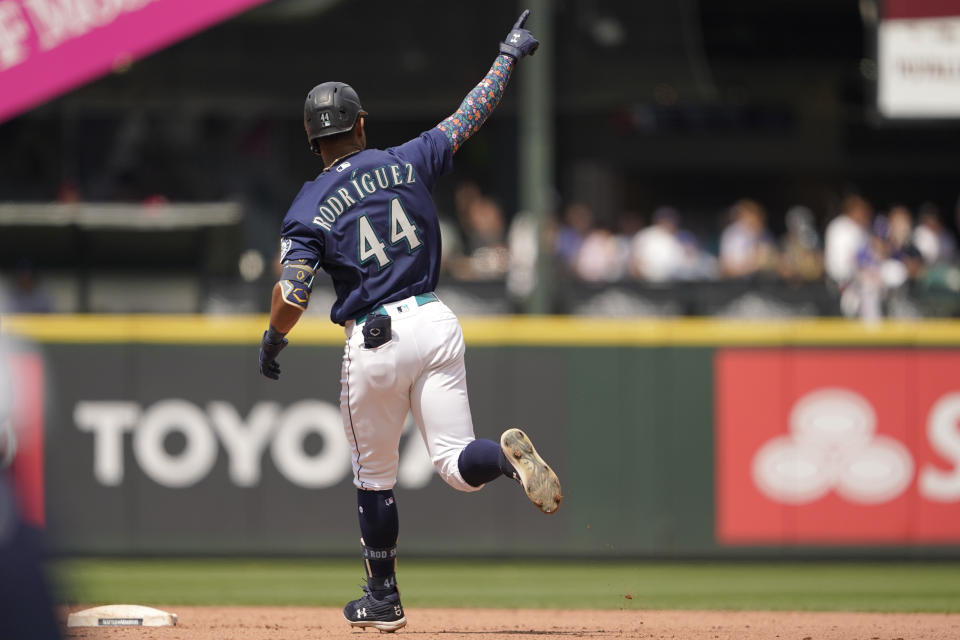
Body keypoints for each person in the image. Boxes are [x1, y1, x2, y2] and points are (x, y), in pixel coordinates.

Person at [257, 11, 560, 633]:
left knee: (375, 477)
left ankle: (384, 599)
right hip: (437, 318)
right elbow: (468, 115)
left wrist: (275, 335)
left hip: (376, 336)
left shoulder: (308, 207)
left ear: (312, 142)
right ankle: (503, 462)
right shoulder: (407, 158)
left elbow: (292, 292)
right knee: (455, 465)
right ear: (361, 125)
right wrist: (505, 56)